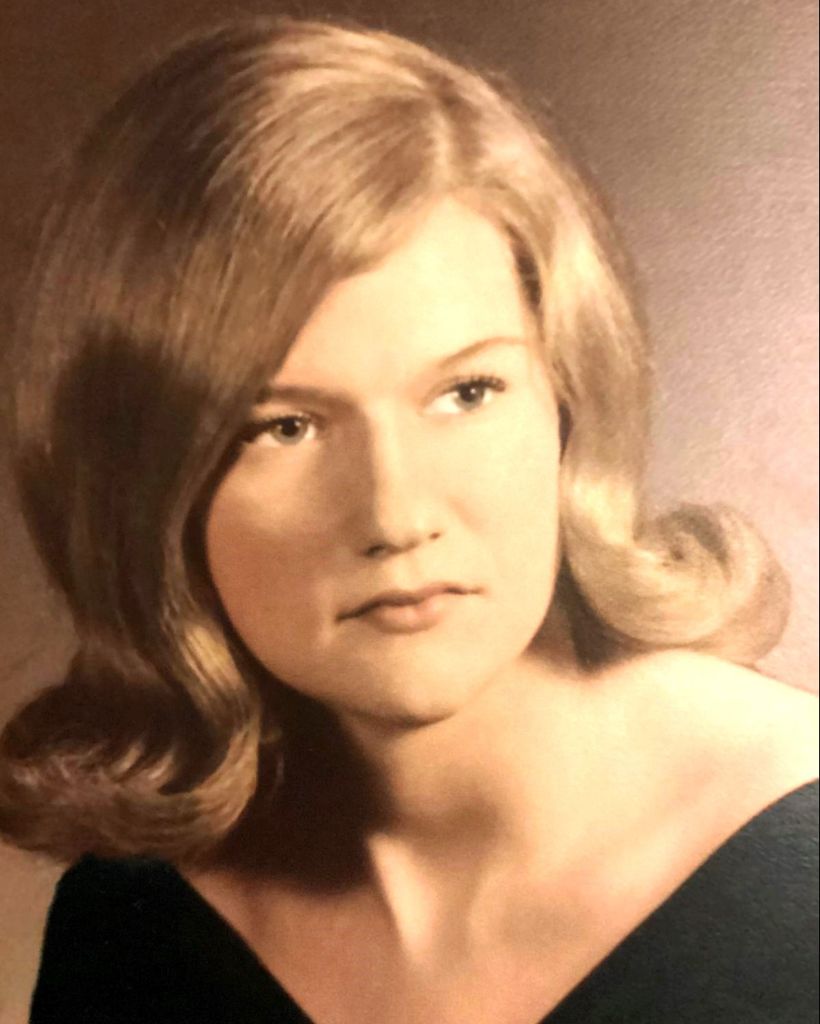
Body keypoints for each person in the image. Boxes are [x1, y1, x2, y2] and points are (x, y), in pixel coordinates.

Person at [0, 16, 816, 1024]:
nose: (396, 512)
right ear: (144, 488)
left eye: (466, 392)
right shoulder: (132, 934)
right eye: (284, 426)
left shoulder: (801, 861)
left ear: (566, 397)